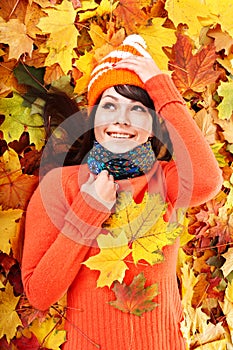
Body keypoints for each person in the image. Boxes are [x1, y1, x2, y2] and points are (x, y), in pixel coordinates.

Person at [21, 34, 222, 350]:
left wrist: (160, 86)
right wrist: (89, 210)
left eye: (138, 109)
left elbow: (208, 182)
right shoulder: (61, 185)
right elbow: (40, 293)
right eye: (110, 105)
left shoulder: (165, 181)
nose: (122, 120)